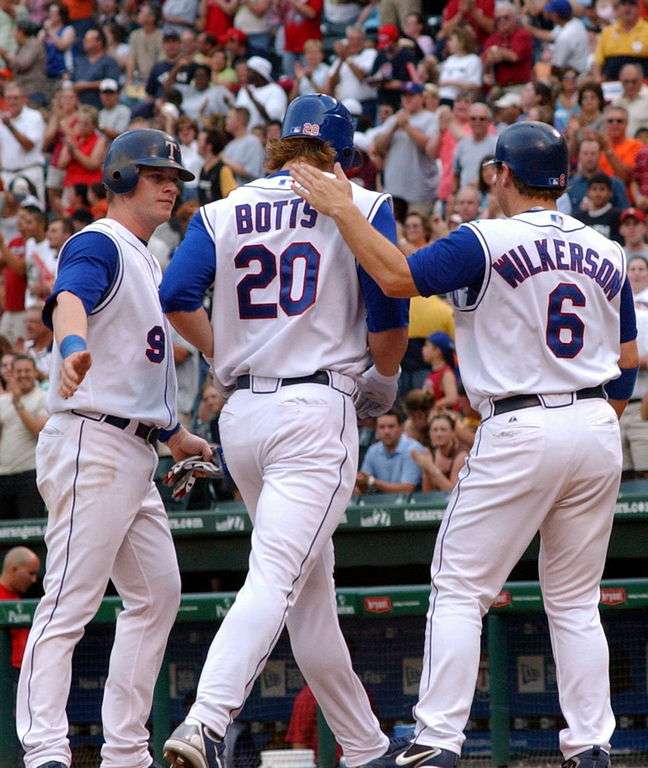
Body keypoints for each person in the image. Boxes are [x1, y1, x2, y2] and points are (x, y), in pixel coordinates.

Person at [290, 120, 639, 768]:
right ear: (561, 179)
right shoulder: (608, 249)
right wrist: (589, 417)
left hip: (521, 421)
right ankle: (591, 742)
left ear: (502, 173)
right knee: (573, 599)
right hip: (596, 424)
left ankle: (438, 739)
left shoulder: (488, 239)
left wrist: (342, 208)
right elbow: (626, 360)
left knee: (459, 587)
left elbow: (395, 276)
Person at [159, 93, 409, 768]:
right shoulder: (361, 202)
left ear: (279, 143)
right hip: (312, 413)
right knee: (276, 576)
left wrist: (226, 354)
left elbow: (176, 295)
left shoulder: (223, 207)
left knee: (308, 600)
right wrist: (383, 384)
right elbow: (390, 317)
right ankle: (207, 721)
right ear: (340, 153)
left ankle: (366, 749)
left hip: (242, 417)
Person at [15, 130, 212, 768]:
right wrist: (71, 347)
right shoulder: (100, 241)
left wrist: (173, 434)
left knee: (158, 592)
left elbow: (134, 370)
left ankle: (126, 749)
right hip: (90, 441)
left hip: (134, 447)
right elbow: (68, 297)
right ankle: (45, 749)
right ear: (122, 176)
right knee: (70, 598)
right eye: (157, 173)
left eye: (175, 177)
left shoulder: (146, 258)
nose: (170, 185)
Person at [0, 354, 48, 519]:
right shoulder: (3, 401)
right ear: (11, 374)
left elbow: (37, 431)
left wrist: (18, 403)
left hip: (29, 475)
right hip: (3, 475)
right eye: (18, 371)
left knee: (29, 531)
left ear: (35, 372)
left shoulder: (43, 398)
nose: (23, 375)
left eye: (27, 370)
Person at [357, 409, 424, 495]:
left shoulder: (413, 449)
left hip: (411, 506)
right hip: (380, 505)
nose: (386, 431)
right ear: (376, 430)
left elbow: (407, 489)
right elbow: (363, 488)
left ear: (401, 428)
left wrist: (371, 481)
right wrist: (360, 481)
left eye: (391, 426)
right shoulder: (373, 450)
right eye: (382, 427)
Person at [0, 546, 40, 675]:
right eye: (31, 573)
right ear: (14, 569)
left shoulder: (15, 596)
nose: (34, 580)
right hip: (5, 674)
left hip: (22, 672)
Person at [411, 412, 467, 492]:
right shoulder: (430, 453)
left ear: (452, 433)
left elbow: (453, 492)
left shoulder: (461, 455)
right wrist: (426, 471)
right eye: (435, 430)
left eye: (443, 430)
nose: (439, 434)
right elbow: (427, 492)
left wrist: (430, 467)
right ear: (430, 433)